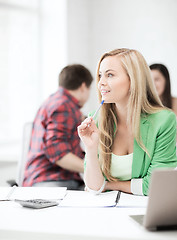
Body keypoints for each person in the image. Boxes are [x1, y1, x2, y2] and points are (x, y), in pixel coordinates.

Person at [78, 48, 177, 196]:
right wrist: (91, 150)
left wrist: (110, 185)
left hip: (143, 210)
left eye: (110, 75)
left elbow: (156, 185)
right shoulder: (96, 120)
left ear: (133, 79)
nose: (100, 83)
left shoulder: (164, 121)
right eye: (100, 76)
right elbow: (93, 188)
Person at [23, 64, 93, 189]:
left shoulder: (53, 101)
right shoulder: (64, 106)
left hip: (41, 178)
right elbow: (59, 155)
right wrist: (96, 169)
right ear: (83, 87)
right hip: (51, 180)